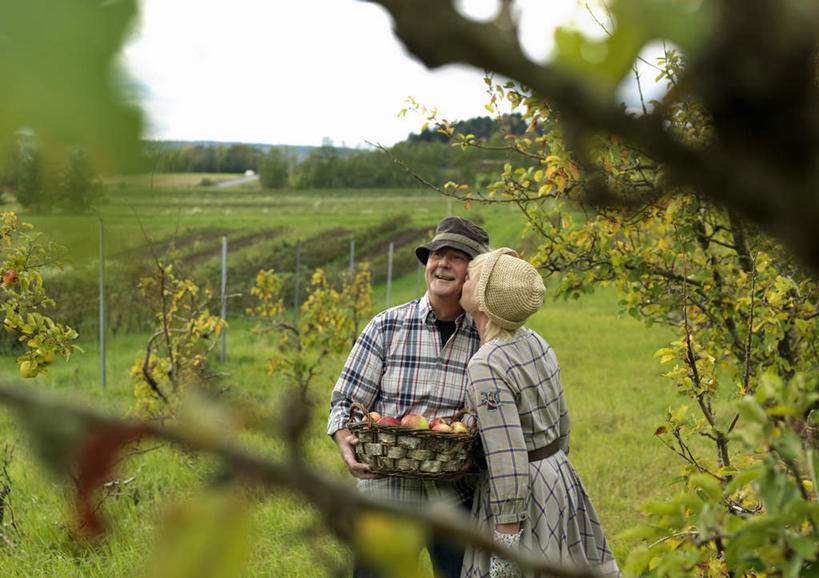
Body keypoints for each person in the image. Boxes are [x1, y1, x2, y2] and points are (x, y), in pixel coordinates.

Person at [328, 216, 492, 578]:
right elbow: (344, 402)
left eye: (457, 257)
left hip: (457, 497)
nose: (443, 264)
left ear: (474, 274)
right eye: (437, 254)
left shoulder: (486, 339)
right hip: (386, 496)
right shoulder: (387, 326)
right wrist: (345, 445)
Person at [458, 248, 620, 578]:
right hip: (557, 477)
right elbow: (563, 426)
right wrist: (553, 475)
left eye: (471, 277)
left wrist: (506, 542)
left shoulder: (487, 363)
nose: (463, 280)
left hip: (523, 493)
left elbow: (506, 457)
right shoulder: (536, 342)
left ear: (484, 302)